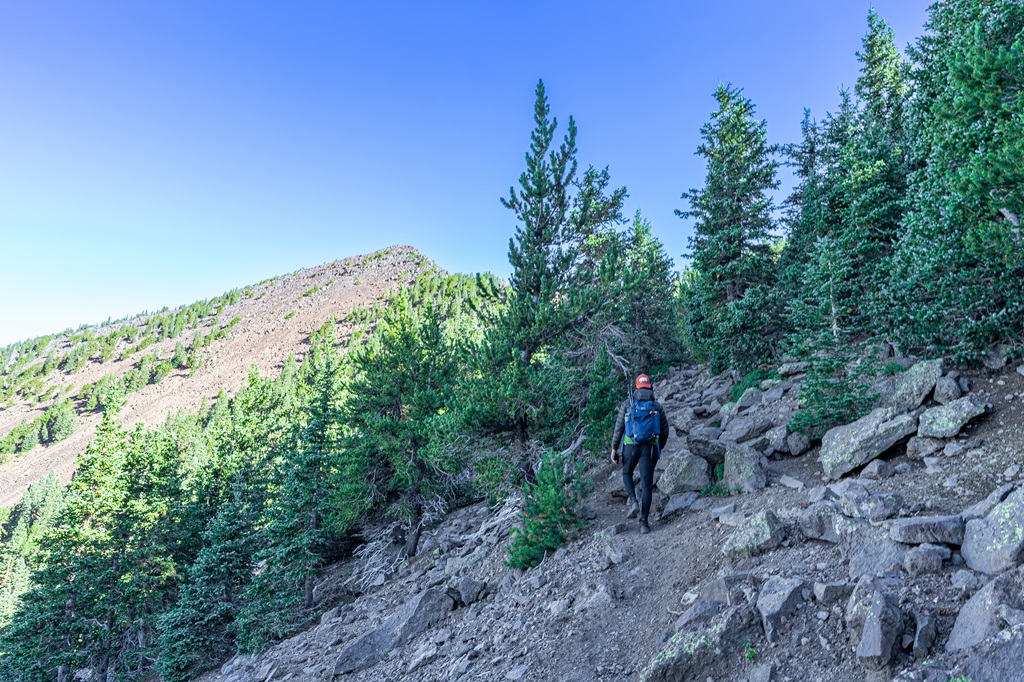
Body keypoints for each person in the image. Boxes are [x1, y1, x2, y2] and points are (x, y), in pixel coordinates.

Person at [610, 374, 669, 534]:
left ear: (637, 387)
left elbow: (619, 427)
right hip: (649, 447)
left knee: (626, 472)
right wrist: (658, 448)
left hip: (631, 445)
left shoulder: (628, 403)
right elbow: (664, 430)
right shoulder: (656, 406)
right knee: (646, 484)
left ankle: (633, 501)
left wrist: (614, 447)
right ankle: (644, 524)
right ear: (650, 387)